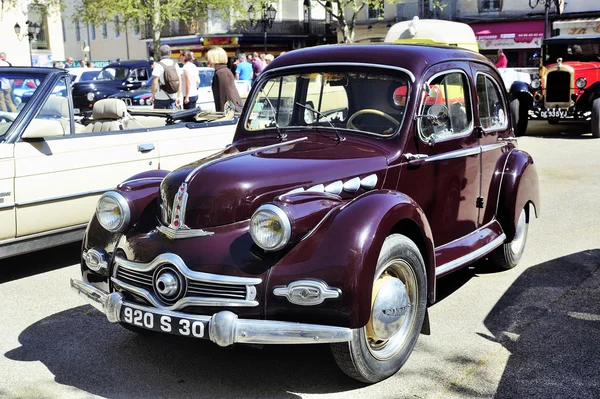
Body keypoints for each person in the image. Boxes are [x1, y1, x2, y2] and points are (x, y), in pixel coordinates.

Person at [207, 46, 242, 112]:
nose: (208, 61)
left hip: (230, 112)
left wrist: (223, 114)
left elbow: (225, 96)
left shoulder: (222, 72)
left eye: (209, 58)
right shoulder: (221, 71)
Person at [151, 44, 182, 109]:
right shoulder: (175, 64)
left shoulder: (158, 65)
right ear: (170, 53)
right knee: (171, 118)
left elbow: (154, 82)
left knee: (160, 118)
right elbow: (179, 81)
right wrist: (178, 96)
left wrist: (153, 95)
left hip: (160, 98)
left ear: (160, 54)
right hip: (172, 97)